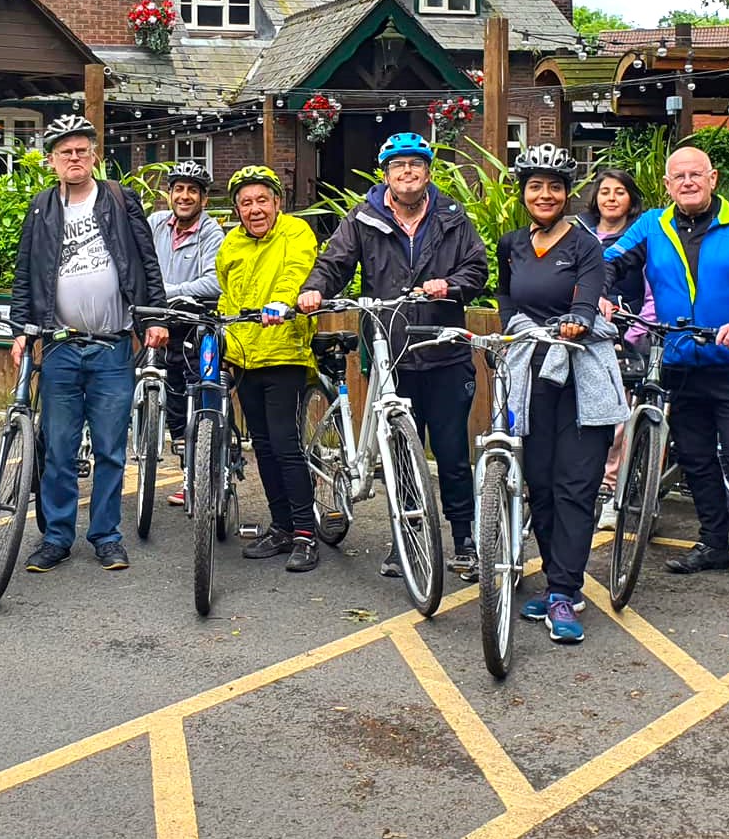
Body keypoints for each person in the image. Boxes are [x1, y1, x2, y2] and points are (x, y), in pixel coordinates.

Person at [298, 132, 490, 580]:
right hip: (390, 351)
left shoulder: (452, 218)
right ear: (386, 174)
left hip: (444, 349)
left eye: (416, 165)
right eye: (399, 165)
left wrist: (452, 284)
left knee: (450, 454)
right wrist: (314, 289)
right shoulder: (364, 218)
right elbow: (335, 262)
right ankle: (406, 541)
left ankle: (463, 539)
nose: (408, 172)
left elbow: (477, 268)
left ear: (428, 172)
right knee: (400, 454)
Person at [604, 145, 729, 595]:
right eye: (678, 177)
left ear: (713, 178)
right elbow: (608, 263)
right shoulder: (653, 225)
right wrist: (601, 296)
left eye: (696, 174)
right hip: (678, 364)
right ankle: (712, 545)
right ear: (667, 186)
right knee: (695, 459)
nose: (688, 182)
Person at [8, 115, 168, 574]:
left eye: (81, 151)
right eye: (65, 153)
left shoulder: (120, 199)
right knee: (57, 447)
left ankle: (106, 536)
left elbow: (146, 261)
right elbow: (26, 274)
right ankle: (56, 537)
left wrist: (153, 316)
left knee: (110, 449)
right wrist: (23, 327)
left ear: (94, 155)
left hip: (113, 345)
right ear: (52, 161)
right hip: (59, 346)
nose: (74, 159)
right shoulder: (41, 207)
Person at [498, 145, 611, 642]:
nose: (545, 195)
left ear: (567, 194)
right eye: (535, 186)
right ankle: (556, 577)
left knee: (575, 485)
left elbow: (587, 296)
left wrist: (579, 320)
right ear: (523, 193)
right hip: (532, 374)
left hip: (579, 375)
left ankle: (565, 590)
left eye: (555, 187)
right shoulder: (512, 244)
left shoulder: (586, 245)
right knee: (540, 483)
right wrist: (512, 327)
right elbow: (504, 294)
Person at [216, 166, 322, 572]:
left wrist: (281, 302)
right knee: (261, 445)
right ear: (237, 209)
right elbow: (227, 295)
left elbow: (296, 271)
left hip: (284, 352)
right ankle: (280, 526)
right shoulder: (230, 245)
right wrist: (222, 339)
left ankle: (305, 532)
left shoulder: (296, 232)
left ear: (277, 203)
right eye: (246, 203)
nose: (255, 209)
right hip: (244, 355)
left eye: (263, 200)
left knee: (285, 443)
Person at [578, 167, 652, 530]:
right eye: (604, 191)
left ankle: (612, 492)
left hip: (627, 341)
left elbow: (654, 291)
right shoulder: (579, 233)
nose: (611, 198)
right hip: (581, 339)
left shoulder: (643, 238)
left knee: (620, 424)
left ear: (631, 199)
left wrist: (637, 331)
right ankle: (587, 490)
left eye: (619, 192)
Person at [149, 159, 223, 507]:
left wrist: (165, 291)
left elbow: (213, 283)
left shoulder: (212, 232)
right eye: (179, 189)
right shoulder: (154, 225)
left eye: (192, 190)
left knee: (198, 392)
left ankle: (202, 472)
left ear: (203, 199)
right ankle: (182, 462)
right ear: (169, 194)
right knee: (168, 393)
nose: (185, 195)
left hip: (196, 323)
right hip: (157, 321)